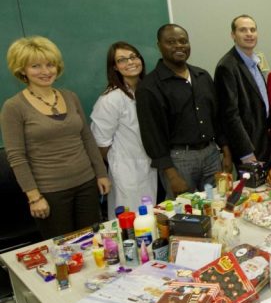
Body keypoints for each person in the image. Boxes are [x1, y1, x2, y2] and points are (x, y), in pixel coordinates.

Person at [0, 36, 110, 239]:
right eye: (36, 66)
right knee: (63, 251)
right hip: (50, 193)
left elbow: (86, 137)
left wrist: (101, 173)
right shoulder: (13, 107)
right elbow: (16, 156)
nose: (45, 71)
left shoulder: (70, 96)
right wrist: (34, 197)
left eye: (50, 64)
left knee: (93, 244)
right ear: (22, 70)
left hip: (86, 184)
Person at [136, 24, 232, 199]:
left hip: (211, 155)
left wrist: (226, 151)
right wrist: (171, 175)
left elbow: (216, 117)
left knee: (217, 202)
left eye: (183, 41)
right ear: (159, 46)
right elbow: (152, 136)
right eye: (171, 42)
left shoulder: (202, 76)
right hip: (179, 161)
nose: (179, 46)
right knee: (186, 215)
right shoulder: (149, 87)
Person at [90, 42, 157, 214]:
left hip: (150, 166)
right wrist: (121, 163)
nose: (130, 62)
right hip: (127, 171)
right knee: (130, 222)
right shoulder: (110, 99)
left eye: (133, 57)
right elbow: (100, 144)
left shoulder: (148, 90)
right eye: (122, 60)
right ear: (115, 67)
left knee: (150, 218)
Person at [214, 15, 271, 164]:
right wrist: (246, 153)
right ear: (233, 35)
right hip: (248, 148)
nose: (249, 34)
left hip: (263, 141)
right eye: (243, 30)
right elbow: (230, 115)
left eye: (252, 29)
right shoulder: (227, 66)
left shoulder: (254, 62)